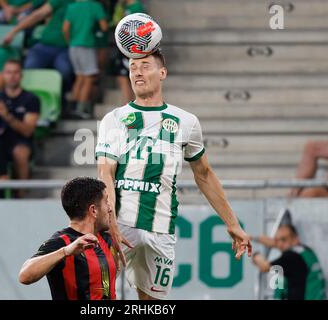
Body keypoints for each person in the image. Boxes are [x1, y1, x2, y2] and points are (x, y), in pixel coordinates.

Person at [95, 49, 252, 300]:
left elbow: (204, 174)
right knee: (97, 295)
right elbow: (105, 171)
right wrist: (110, 220)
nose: (137, 71)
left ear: (163, 73)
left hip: (161, 228)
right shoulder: (114, 119)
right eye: (133, 66)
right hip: (120, 223)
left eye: (145, 65)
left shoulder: (186, 122)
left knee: (151, 303)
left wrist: (232, 223)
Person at [19, 177, 118, 300]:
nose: (110, 208)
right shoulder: (62, 242)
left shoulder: (106, 239)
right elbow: (24, 276)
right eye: (106, 202)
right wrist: (65, 251)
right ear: (93, 210)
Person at [3, 0, 74, 98]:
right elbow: (38, 14)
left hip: (67, 49)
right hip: (44, 45)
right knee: (29, 68)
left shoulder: (89, 5)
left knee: (65, 71)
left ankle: (62, 102)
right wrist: (14, 31)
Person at [0, 59, 40, 187]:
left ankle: (22, 195)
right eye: (8, 72)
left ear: (21, 75)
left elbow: (27, 131)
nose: (12, 76)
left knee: (20, 152)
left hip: (21, 141)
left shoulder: (31, 99)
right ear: (3, 75)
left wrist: (6, 116)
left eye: (16, 72)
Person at [251, 224, 326, 300]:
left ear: (296, 238)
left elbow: (264, 266)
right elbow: (279, 244)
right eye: (277, 240)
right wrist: (253, 238)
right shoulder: (307, 251)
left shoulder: (291, 257)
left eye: (284, 239)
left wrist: (254, 255)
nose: (280, 244)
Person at [62, 0, 108, 119]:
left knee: (79, 77)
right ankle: (81, 109)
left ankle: (72, 107)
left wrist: (70, 42)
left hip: (73, 46)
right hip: (87, 45)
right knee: (89, 77)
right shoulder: (95, 6)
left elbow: (65, 29)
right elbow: (104, 27)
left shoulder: (71, 6)